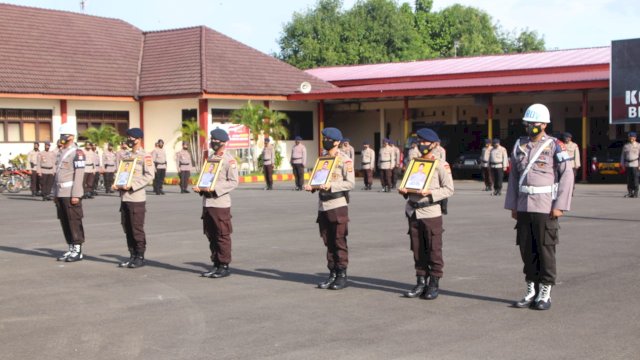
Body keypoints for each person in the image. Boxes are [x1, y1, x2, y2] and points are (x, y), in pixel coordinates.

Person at [505, 103, 574, 311]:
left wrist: (560, 205)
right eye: (528, 123)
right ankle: (531, 289)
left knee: (545, 250)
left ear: (544, 124)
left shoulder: (555, 145)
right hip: (524, 205)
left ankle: (545, 291)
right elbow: (514, 177)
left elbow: (567, 175)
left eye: (534, 123)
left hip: (546, 207)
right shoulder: (519, 145)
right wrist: (513, 206)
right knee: (527, 249)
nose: (530, 126)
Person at [399, 128, 454, 300]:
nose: (422, 145)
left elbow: (449, 189)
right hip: (413, 211)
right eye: (420, 142)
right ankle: (420, 281)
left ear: (434, 144)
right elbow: (406, 184)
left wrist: (430, 193)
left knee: (433, 249)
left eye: (425, 142)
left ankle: (434, 283)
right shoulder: (413, 163)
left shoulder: (441, 165)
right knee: (417, 248)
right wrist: (403, 190)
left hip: (430, 211)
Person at [305, 127, 355, 290]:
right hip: (323, 205)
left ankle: (341, 274)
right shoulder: (323, 159)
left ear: (337, 142)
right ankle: (332, 273)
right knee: (328, 241)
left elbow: (350, 183)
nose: (324, 141)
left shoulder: (345, 160)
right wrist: (312, 186)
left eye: (327, 139)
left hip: (337, 204)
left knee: (339, 241)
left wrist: (331, 185)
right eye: (323, 138)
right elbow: (318, 179)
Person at [196, 129, 239, 278]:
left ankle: (224, 265)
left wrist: (215, 189)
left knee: (222, 235)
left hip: (220, 203)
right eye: (211, 139)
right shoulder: (210, 159)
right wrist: (200, 187)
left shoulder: (229, 160)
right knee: (211, 234)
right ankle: (215, 264)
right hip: (207, 203)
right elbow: (206, 178)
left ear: (222, 142)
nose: (212, 142)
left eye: (215, 140)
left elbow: (234, 182)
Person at [113, 128, 155, 268]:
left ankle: (140, 256)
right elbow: (121, 172)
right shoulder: (126, 155)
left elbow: (149, 176)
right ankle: (132, 255)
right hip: (124, 197)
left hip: (136, 198)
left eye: (131, 138)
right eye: (128, 137)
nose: (129, 140)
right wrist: (117, 182)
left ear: (138, 139)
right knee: (127, 228)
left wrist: (132, 186)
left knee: (136, 228)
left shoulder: (146, 156)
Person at [53, 123, 86, 262]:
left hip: (70, 192)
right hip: (61, 192)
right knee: (65, 221)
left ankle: (77, 249)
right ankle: (71, 247)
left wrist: (76, 194)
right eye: (61, 135)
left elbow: (79, 175)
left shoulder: (77, 153)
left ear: (71, 136)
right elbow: (57, 174)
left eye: (65, 135)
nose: (62, 138)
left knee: (73, 221)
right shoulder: (60, 152)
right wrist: (54, 193)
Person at [621, 131, 639, 198]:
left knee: (635, 180)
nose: (631, 138)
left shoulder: (638, 145)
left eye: (632, 137)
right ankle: (630, 192)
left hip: (635, 165)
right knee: (629, 180)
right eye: (630, 137)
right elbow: (623, 156)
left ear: (635, 138)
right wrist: (622, 164)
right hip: (628, 165)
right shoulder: (626, 146)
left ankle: (636, 193)